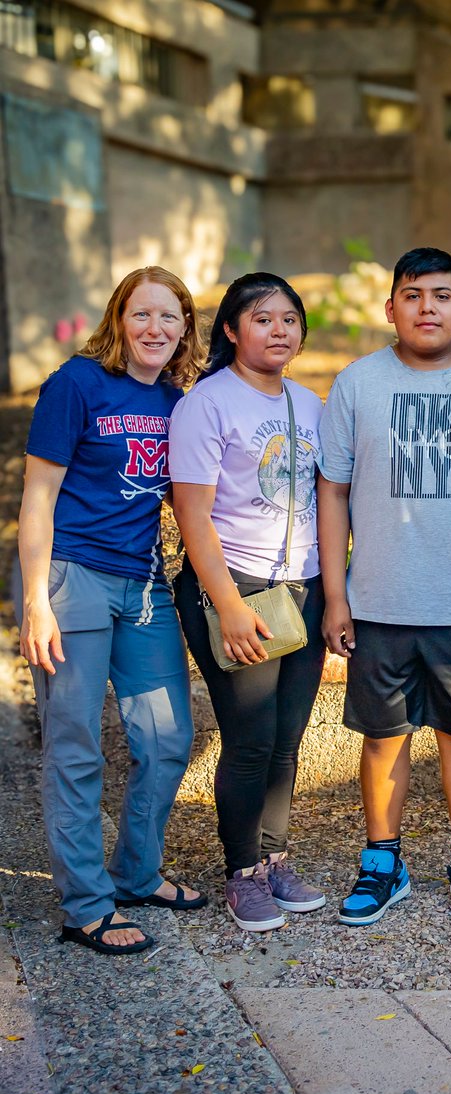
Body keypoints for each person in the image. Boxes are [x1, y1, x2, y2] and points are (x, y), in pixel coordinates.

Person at [318, 247, 451, 926]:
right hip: (379, 602)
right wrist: (336, 595)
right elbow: (332, 492)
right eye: (412, 296)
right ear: (391, 308)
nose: (427, 308)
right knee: (383, 737)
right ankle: (383, 862)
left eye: (441, 296)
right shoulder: (356, 384)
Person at [18, 266, 205, 955]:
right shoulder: (76, 384)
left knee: (166, 738)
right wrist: (35, 602)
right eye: (141, 314)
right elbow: (38, 496)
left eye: (169, 316)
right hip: (73, 578)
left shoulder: (177, 400)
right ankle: (87, 906)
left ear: (185, 328)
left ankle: (135, 874)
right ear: (118, 320)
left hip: (145, 586)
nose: (155, 328)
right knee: (75, 747)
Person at [170, 273, 328, 934]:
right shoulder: (207, 404)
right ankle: (242, 872)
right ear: (232, 330)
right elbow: (193, 516)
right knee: (249, 739)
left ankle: (274, 858)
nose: (279, 330)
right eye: (262, 319)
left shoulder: (310, 404)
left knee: (287, 739)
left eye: (289, 319)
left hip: (303, 588)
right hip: (235, 587)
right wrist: (230, 604)